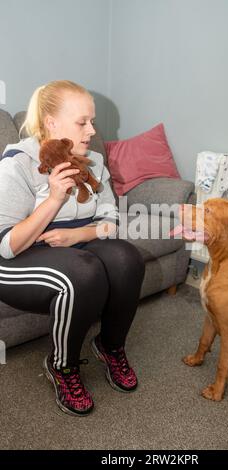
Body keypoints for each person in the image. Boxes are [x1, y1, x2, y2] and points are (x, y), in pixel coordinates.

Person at [0, 80, 145, 417]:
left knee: (127, 259)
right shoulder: (17, 164)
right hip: (19, 255)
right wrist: (53, 199)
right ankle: (62, 366)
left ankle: (110, 347)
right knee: (83, 271)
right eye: (82, 122)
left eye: (91, 121)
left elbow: (111, 221)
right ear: (51, 122)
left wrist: (78, 234)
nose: (92, 130)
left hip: (72, 245)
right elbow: (7, 245)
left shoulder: (92, 160)